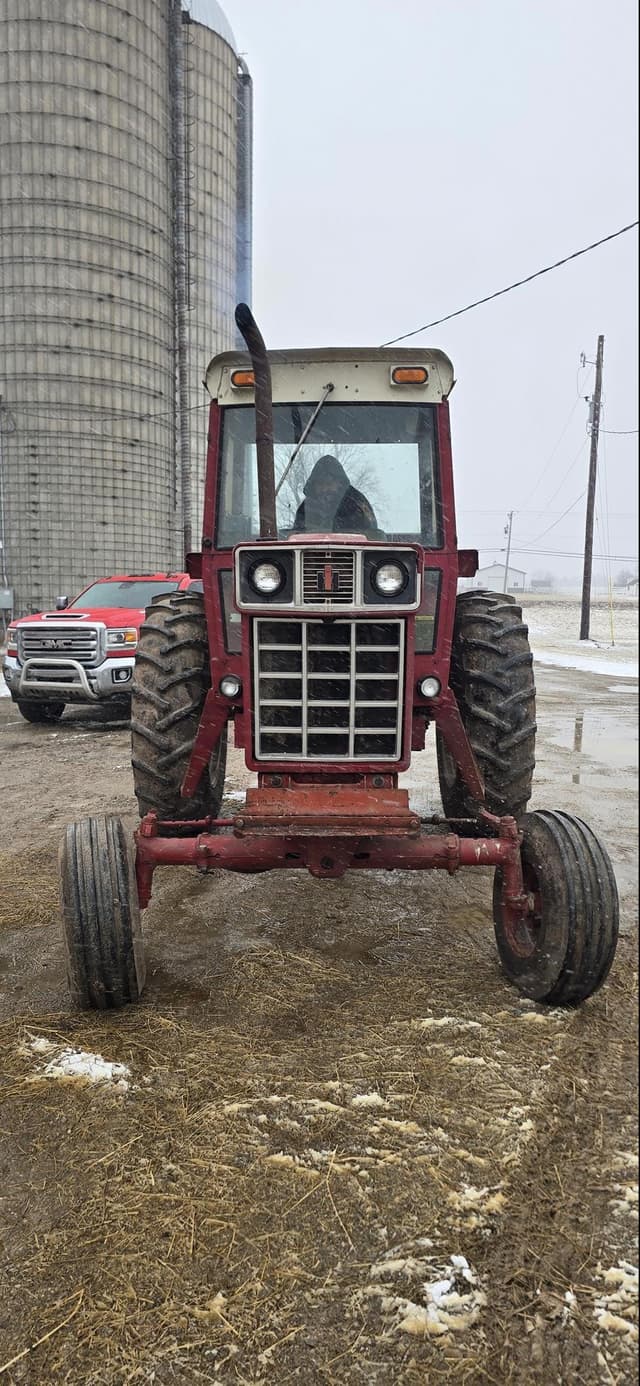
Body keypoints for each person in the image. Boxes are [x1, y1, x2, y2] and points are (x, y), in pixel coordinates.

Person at [291, 455, 381, 536]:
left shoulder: (356, 504)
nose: (325, 489)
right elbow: (296, 537)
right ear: (313, 486)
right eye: (320, 484)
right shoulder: (306, 508)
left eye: (329, 484)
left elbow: (370, 538)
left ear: (340, 484)